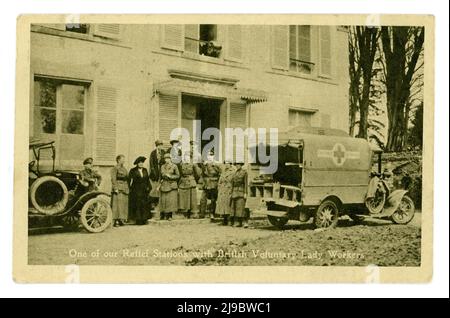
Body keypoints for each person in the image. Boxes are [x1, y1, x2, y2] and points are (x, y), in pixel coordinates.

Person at [129, 156, 151, 225]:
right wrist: (130, 188)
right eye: (139, 163)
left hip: (144, 190)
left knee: (144, 204)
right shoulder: (133, 170)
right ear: (137, 164)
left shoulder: (145, 170)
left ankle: (144, 219)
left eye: (142, 163)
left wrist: (149, 187)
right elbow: (129, 180)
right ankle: (138, 220)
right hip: (136, 190)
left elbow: (147, 179)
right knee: (137, 205)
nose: (141, 164)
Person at [177, 152, 200, 218]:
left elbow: (198, 174)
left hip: (191, 181)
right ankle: (185, 212)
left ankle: (193, 212)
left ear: (190, 158)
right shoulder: (181, 164)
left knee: (191, 198)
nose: (186, 159)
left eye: (188, 157)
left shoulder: (193, 165)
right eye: (185, 157)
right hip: (183, 182)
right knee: (185, 198)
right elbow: (180, 174)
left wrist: (194, 180)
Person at [199, 150, 221, 220]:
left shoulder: (217, 164)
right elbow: (202, 174)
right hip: (206, 183)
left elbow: (220, 173)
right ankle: (202, 213)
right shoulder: (205, 164)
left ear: (213, 156)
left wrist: (214, 166)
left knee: (213, 199)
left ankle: (212, 213)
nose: (209, 157)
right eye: (208, 156)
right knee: (203, 199)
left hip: (214, 183)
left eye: (211, 155)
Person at [159, 153, 180, 220]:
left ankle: (169, 215)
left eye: (168, 158)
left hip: (171, 185)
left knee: (170, 201)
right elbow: (160, 176)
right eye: (165, 159)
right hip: (164, 184)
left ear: (171, 159)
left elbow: (178, 176)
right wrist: (159, 185)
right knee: (164, 200)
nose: (166, 160)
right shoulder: (162, 166)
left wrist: (170, 176)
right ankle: (162, 215)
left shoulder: (174, 166)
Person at [216, 159, 236, 225]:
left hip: (229, 189)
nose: (227, 164)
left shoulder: (233, 171)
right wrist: (219, 187)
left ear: (230, 164)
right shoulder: (223, 171)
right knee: (222, 205)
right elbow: (220, 181)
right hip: (222, 190)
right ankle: (224, 219)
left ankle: (230, 219)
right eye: (226, 163)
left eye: (228, 163)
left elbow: (234, 182)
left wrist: (232, 190)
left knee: (228, 205)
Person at [111, 155, 129, 227]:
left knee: (123, 205)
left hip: (124, 188)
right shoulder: (115, 168)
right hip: (118, 187)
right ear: (118, 160)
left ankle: (121, 219)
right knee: (117, 205)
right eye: (122, 159)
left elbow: (127, 177)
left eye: (124, 160)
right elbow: (113, 179)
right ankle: (115, 220)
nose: (123, 161)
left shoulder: (124, 169)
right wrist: (115, 188)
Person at [230, 161, 248, 227]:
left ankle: (244, 222)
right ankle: (237, 222)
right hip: (234, 192)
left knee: (241, 207)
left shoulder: (244, 172)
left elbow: (246, 183)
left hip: (241, 191)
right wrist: (231, 192)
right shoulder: (234, 173)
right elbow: (232, 184)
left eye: (239, 164)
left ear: (241, 165)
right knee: (235, 207)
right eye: (236, 164)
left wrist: (245, 193)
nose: (237, 165)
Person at [149, 140, 165, 214]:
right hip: (155, 172)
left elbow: (165, 162)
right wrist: (154, 172)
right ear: (156, 146)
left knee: (160, 187)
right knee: (154, 188)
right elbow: (151, 164)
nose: (160, 146)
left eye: (161, 145)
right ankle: (153, 203)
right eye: (159, 145)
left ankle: (160, 203)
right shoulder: (153, 153)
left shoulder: (163, 153)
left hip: (161, 171)